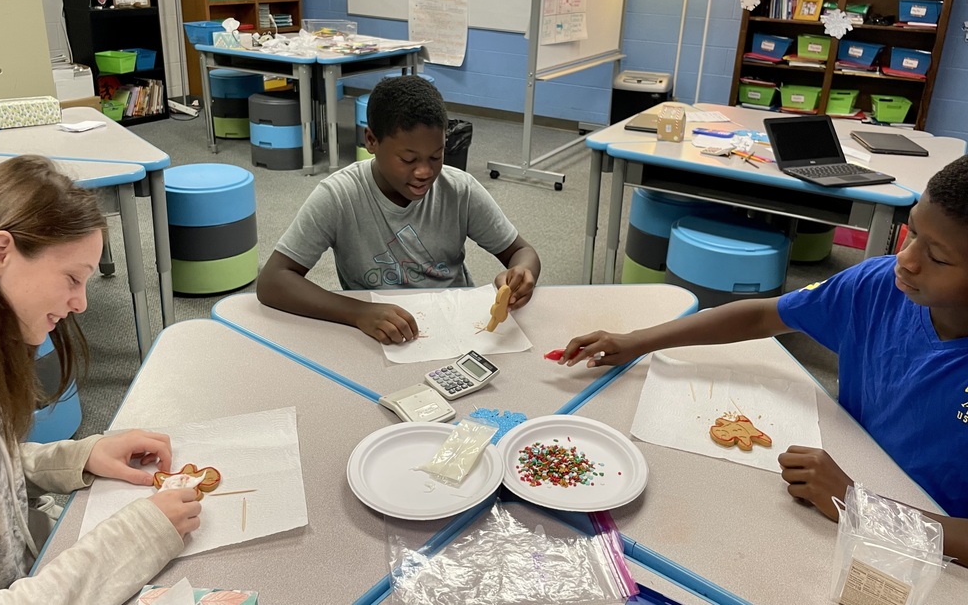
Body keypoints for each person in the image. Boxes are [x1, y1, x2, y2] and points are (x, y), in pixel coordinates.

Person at [559, 156, 968, 564]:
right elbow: (761, 315)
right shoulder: (877, 284)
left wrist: (859, 505)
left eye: (938, 257)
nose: (907, 259)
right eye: (912, 232)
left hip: (920, 553)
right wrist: (637, 341)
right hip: (844, 484)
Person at [0, 156, 202, 604]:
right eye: (72, 278)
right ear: (0, 252)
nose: (81, 303)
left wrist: (77, 457)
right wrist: (137, 538)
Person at [256, 75, 541, 344]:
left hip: (457, 325)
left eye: (436, 156)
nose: (424, 172)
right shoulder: (339, 196)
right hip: (379, 333)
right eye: (408, 159)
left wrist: (522, 273)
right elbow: (273, 282)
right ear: (371, 141)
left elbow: (522, 252)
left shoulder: (459, 190)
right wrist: (357, 313)